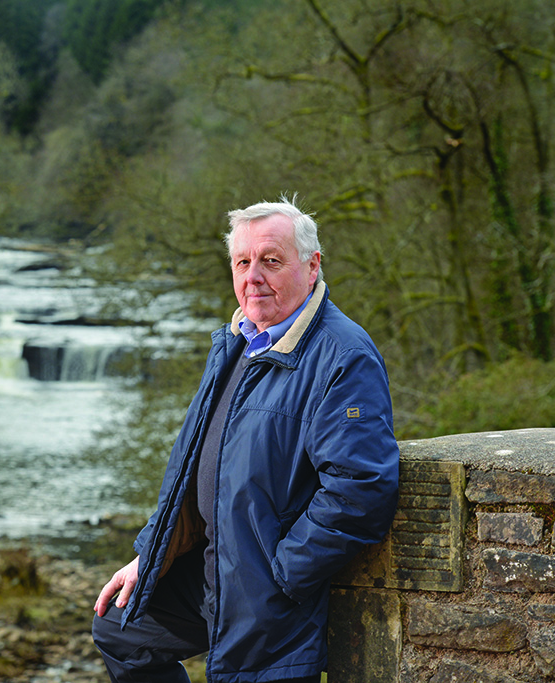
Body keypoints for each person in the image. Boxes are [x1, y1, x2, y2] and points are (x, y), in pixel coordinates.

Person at [92, 196, 400, 683]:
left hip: (268, 588)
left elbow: (361, 487)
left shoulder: (343, 355)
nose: (253, 276)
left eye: (271, 261)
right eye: (243, 261)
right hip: (214, 567)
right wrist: (151, 557)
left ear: (311, 264)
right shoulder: (235, 342)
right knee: (122, 629)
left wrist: (282, 575)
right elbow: (192, 469)